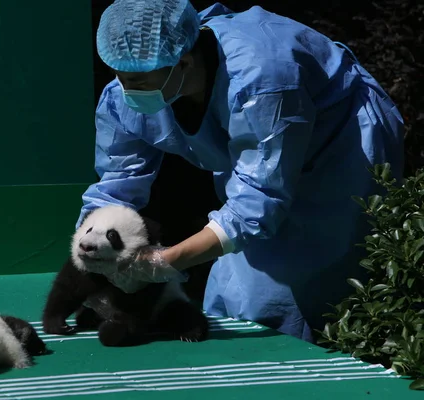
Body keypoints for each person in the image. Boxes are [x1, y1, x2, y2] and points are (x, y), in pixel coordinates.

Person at [76, 0, 405, 343]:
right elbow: (116, 182)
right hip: (261, 165)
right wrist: (91, 254)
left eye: (138, 81)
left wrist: (165, 261)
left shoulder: (263, 78)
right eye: (121, 76)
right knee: (232, 295)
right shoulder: (127, 91)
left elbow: (258, 201)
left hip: (342, 146)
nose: (127, 89)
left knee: (291, 292)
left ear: (184, 62)